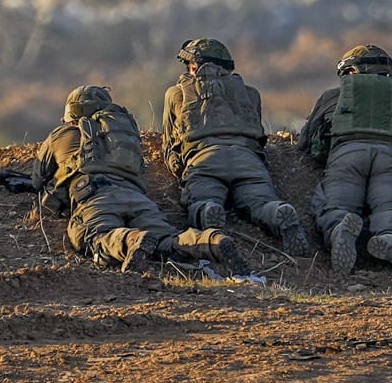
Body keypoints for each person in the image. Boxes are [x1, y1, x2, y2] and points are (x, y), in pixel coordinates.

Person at [34, 85, 247, 274]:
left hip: (96, 198)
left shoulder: (61, 134)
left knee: (95, 236)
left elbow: (38, 178)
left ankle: (132, 239)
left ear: (71, 114)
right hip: (137, 198)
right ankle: (211, 241)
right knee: (167, 240)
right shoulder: (123, 133)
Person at [162, 37, 313, 255]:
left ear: (193, 67)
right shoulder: (250, 93)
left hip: (205, 160)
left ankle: (208, 211)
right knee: (260, 202)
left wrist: (179, 169)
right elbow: (259, 139)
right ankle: (278, 212)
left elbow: (170, 147)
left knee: (201, 200)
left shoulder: (176, 93)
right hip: (247, 159)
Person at [300, 45, 392, 273]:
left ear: (351, 72)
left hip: (347, 155)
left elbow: (306, 142)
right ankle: (391, 238)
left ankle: (339, 229)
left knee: (336, 204)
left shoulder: (332, 97)